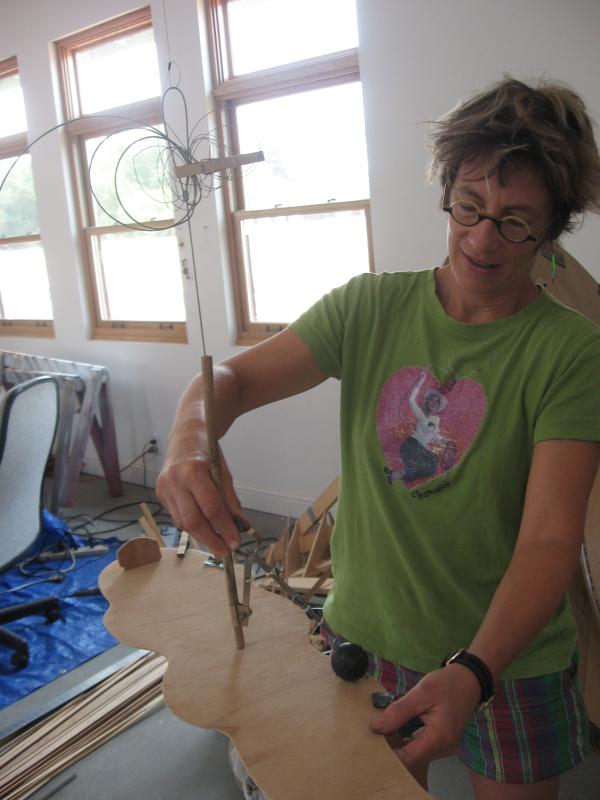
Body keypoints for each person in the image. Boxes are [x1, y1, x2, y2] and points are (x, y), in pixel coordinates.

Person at [157, 77, 600, 799]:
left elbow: (550, 541)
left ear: (552, 228)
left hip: (511, 660)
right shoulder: (368, 308)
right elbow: (231, 382)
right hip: (373, 639)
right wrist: (188, 443)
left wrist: (475, 672)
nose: (483, 239)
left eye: (516, 221)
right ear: (446, 193)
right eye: (469, 208)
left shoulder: (572, 353)